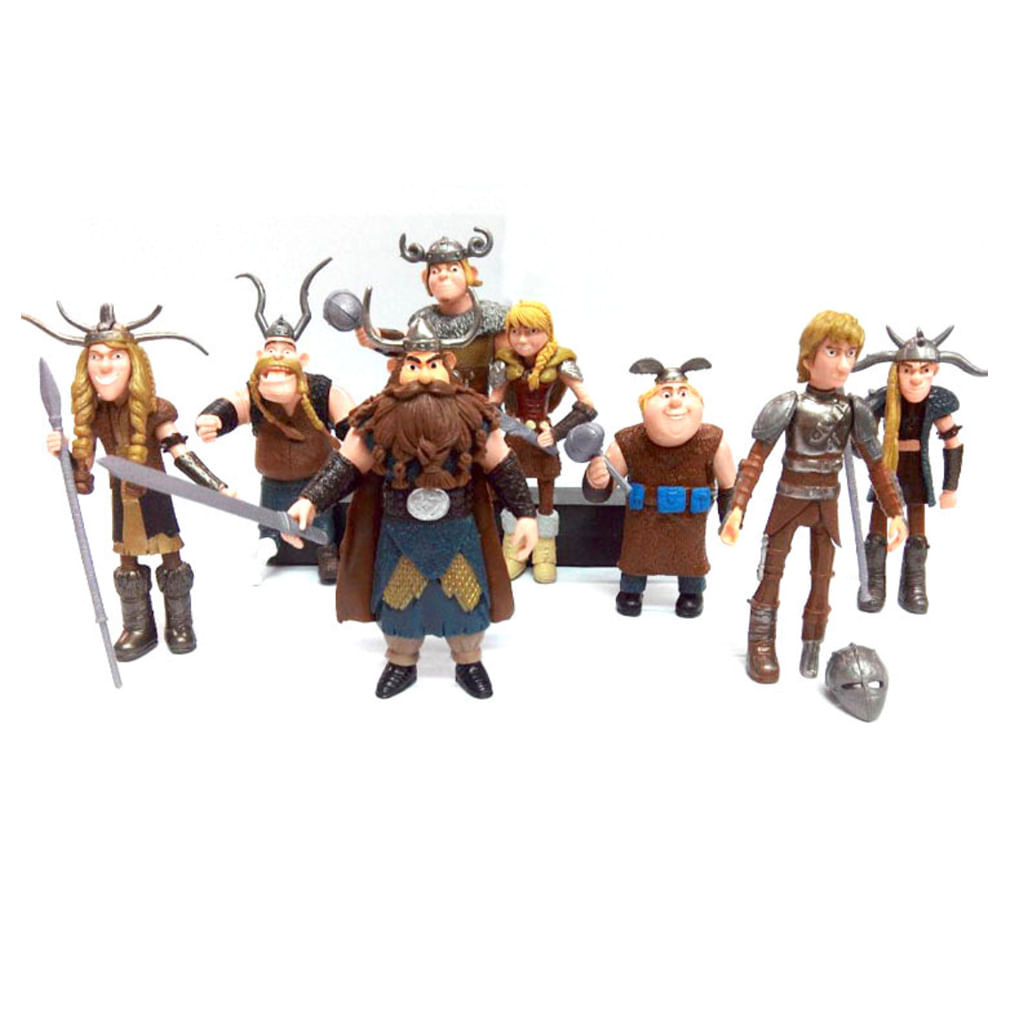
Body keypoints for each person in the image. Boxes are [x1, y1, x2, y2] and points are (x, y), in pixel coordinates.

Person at [287, 290, 537, 700]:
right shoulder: (377, 416)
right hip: (399, 530)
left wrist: (525, 513)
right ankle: (401, 662)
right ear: (397, 367)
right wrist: (310, 499)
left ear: (448, 364)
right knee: (398, 601)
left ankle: (468, 661)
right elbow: (346, 464)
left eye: (432, 364)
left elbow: (502, 464)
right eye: (413, 365)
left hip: (458, 528)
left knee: (466, 599)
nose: (422, 374)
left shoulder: (473, 414)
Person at [25, 302, 230, 661]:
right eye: (97, 357)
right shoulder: (94, 415)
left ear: (133, 363)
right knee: (127, 565)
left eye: (115, 356)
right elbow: (82, 471)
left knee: (171, 558)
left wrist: (217, 486)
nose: (105, 365)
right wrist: (63, 454)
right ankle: (138, 627)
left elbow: (180, 452)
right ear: (86, 365)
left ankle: (180, 624)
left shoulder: (155, 409)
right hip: (120, 497)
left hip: (156, 495)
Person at [719, 310, 908, 682]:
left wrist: (894, 511)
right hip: (788, 501)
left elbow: (877, 466)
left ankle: (813, 643)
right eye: (832, 352)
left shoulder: (854, 409)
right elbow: (754, 461)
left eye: (850, 353)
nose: (843, 364)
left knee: (823, 579)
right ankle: (761, 642)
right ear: (808, 359)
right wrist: (737, 507)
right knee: (771, 574)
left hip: (826, 504)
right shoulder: (788, 404)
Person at [195, 260, 354, 584]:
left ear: (301, 359)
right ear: (260, 357)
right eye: (271, 350)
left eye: (286, 351)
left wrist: (352, 434)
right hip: (274, 479)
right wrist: (214, 417)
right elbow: (235, 405)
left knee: (321, 522)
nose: (278, 356)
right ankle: (266, 548)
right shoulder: (256, 395)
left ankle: (327, 553)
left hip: (317, 478)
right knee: (270, 525)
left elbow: (345, 414)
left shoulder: (319, 390)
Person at [585, 357, 734, 617]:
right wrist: (595, 480)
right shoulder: (629, 441)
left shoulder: (713, 441)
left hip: (690, 519)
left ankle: (691, 592)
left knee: (690, 557)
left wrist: (730, 516)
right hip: (644, 518)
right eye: (665, 394)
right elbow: (602, 488)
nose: (675, 402)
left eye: (683, 393)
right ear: (645, 405)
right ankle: (631, 590)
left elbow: (728, 484)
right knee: (637, 555)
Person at [853, 325, 987, 613]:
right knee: (878, 521)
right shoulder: (885, 399)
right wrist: (856, 437)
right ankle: (873, 583)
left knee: (916, 523)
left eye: (924, 370)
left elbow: (953, 443)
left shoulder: (936, 402)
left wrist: (950, 488)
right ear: (897, 371)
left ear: (934, 371)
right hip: (886, 468)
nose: (915, 378)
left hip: (916, 469)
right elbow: (863, 438)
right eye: (908, 370)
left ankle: (914, 585)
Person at [488, 300, 596, 582]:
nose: (522, 340)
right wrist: (497, 422)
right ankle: (514, 548)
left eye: (531, 331)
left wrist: (558, 432)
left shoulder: (561, 362)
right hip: (515, 435)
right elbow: (492, 404)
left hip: (545, 435)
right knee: (512, 488)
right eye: (515, 332)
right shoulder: (504, 363)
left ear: (547, 331)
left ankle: (545, 550)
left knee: (547, 488)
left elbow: (587, 405)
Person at [356, 226, 508, 393]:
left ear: (471, 273)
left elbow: (508, 364)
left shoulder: (492, 318)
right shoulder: (424, 320)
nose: (443, 275)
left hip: (478, 401)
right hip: (435, 398)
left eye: (453, 269)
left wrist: (496, 399)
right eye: (435, 271)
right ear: (425, 278)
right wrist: (377, 337)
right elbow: (408, 346)